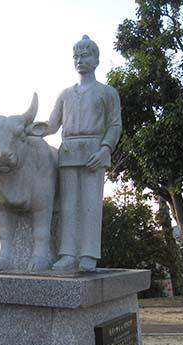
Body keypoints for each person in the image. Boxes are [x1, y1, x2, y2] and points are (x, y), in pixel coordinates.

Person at [45, 35, 122, 271]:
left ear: (96, 60)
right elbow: (51, 126)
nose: (80, 60)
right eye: (76, 56)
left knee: (90, 206)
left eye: (85, 55)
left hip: (94, 153)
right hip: (68, 152)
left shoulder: (107, 92)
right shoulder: (65, 94)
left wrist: (105, 148)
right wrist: (23, 129)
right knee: (68, 207)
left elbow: (115, 125)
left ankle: (88, 254)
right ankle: (67, 253)